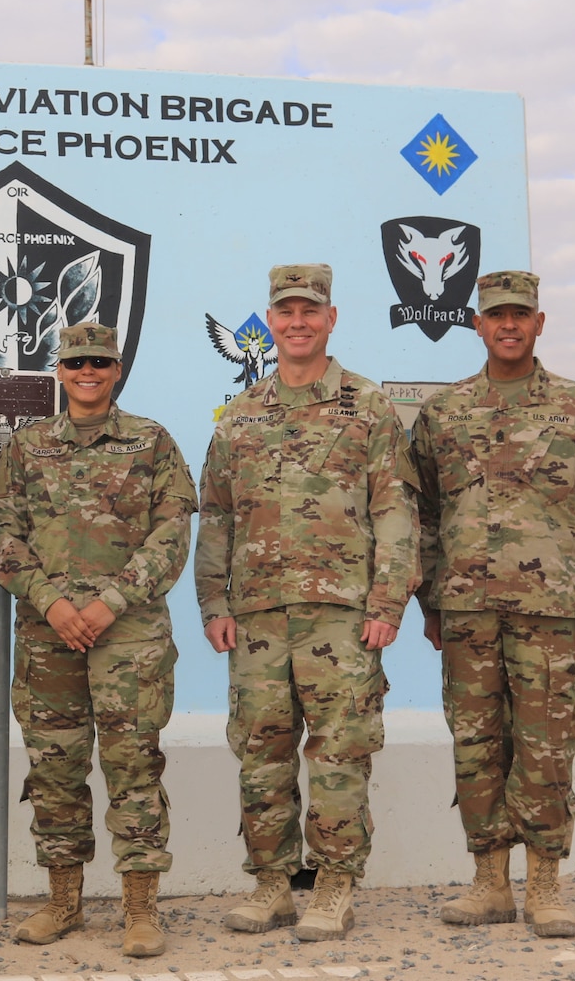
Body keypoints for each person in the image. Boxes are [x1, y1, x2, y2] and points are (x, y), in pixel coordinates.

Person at [411, 270, 575, 938]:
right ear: (477, 325)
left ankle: (544, 887)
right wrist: (430, 600)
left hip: (553, 610)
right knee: (477, 744)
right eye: (495, 315)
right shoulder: (444, 412)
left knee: (545, 746)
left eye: (521, 314)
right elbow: (422, 515)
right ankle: (490, 884)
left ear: (540, 323)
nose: (508, 325)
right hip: (466, 611)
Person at [194, 263, 418, 942]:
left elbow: (396, 510)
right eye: (285, 311)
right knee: (261, 751)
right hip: (259, 617)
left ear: (331, 318)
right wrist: (213, 602)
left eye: (309, 310)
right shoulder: (240, 414)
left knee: (339, 752)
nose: (297, 322)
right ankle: (270, 884)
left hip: (343, 616)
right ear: (271, 319)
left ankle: (333, 885)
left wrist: (388, 601)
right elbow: (217, 517)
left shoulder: (368, 406)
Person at [0, 323, 197, 958]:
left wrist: (112, 600)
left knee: (134, 767)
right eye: (76, 361)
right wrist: (49, 600)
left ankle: (139, 909)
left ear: (116, 369)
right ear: (60, 369)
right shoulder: (26, 447)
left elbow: (171, 532)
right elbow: (4, 531)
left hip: (128, 634)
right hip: (49, 633)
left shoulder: (151, 440)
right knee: (55, 769)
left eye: (99, 362)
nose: (87, 371)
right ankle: (64, 902)